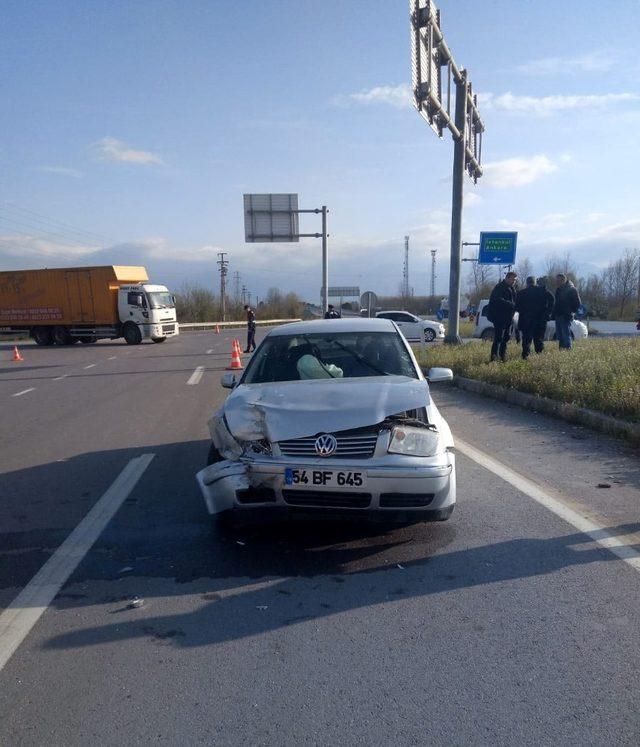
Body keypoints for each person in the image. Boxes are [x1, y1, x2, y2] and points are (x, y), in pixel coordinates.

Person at [516, 276, 554, 359]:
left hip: (526, 319)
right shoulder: (543, 291)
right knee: (539, 339)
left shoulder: (521, 293)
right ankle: (539, 357)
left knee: (526, 340)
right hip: (540, 319)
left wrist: (523, 311)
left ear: (527, 283)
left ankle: (525, 357)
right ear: (535, 283)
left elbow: (517, 306)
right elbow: (552, 299)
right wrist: (547, 312)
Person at [487, 271, 517, 361]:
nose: (514, 281)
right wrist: (511, 304)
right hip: (499, 317)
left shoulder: (512, 288)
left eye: (515, 280)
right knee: (498, 338)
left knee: (506, 337)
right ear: (507, 278)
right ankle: (494, 357)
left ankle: (502, 356)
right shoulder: (499, 287)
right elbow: (498, 300)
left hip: (508, 317)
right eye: (512, 279)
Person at [553, 274, 581, 350]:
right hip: (558, 315)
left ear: (563, 280)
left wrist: (571, 312)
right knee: (559, 335)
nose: (556, 282)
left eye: (558, 280)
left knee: (566, 334)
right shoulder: (558, 289)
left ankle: (568, 349)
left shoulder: (572, 289)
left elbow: (578, 303)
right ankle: (561, 349)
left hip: (566, 316)